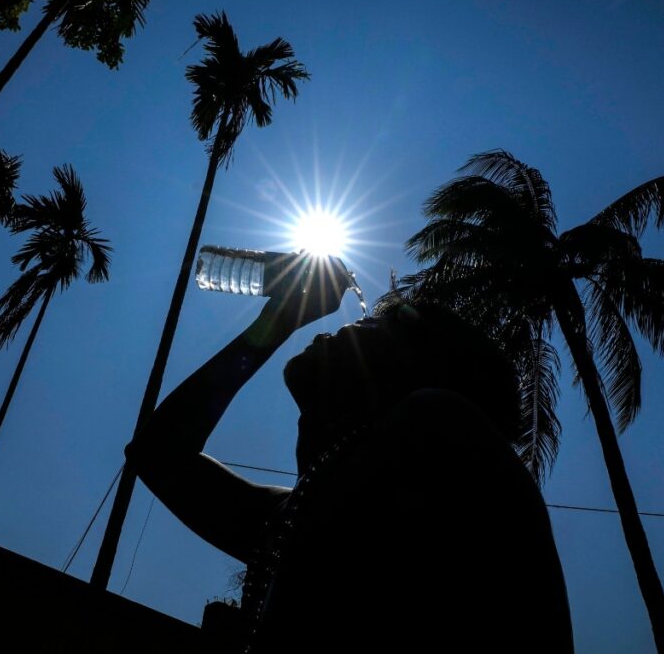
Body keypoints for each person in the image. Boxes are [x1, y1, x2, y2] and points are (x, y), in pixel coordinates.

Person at [125, 258, 574, 652]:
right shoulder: (294, 513)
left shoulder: (443, 430)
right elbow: (158, 452)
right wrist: (275, 321)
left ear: (414, 365)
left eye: (376, 324)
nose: (343, 326)